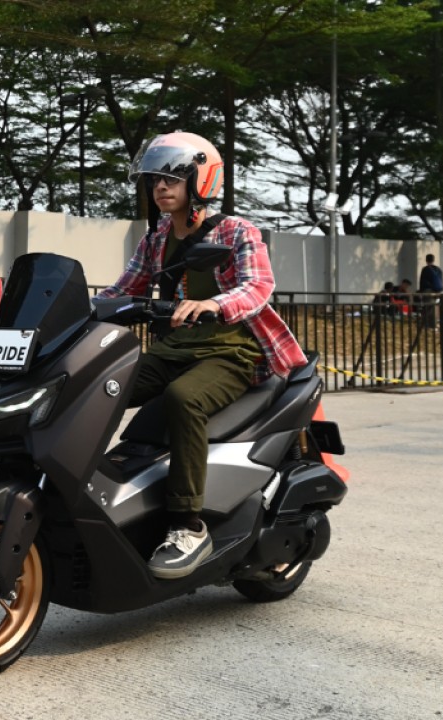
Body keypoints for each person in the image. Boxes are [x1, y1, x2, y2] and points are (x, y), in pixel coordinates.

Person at [96, 131, 307, 579]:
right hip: (174, 348)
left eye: (173, 178)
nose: (161, 188)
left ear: (200, 181)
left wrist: (215, 304)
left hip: (231, 353)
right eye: (156, 180)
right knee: (100, 384)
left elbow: (257, 286)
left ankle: (188, 526)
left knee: (183, 399)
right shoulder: (154, 241)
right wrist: (75, 309)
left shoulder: (236, 232)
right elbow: (122, 290)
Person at [418, 254, 443, 327]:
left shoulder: (425, 269)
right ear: (433, 260)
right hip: (437, 291)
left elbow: (422, 282)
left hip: (428, 291)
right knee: (435, 307)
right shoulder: (439, 270)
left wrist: (421, 293)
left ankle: (428, 324)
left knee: (427, 308)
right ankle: (434, 323)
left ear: (426, 260)